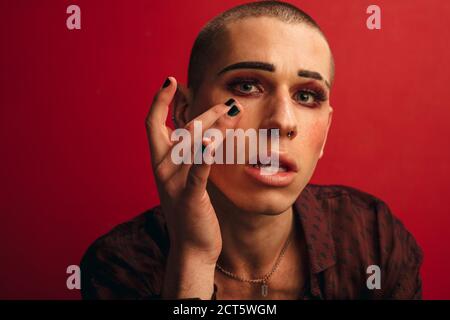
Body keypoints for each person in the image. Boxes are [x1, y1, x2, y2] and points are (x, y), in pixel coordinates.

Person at [80, 0, 423, 300]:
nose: (282, 122)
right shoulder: (121, 265)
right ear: (184, 111)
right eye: (248, 86)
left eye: (306, 96)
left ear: (326, 130)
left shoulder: (375, 239)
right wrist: (194, 256)